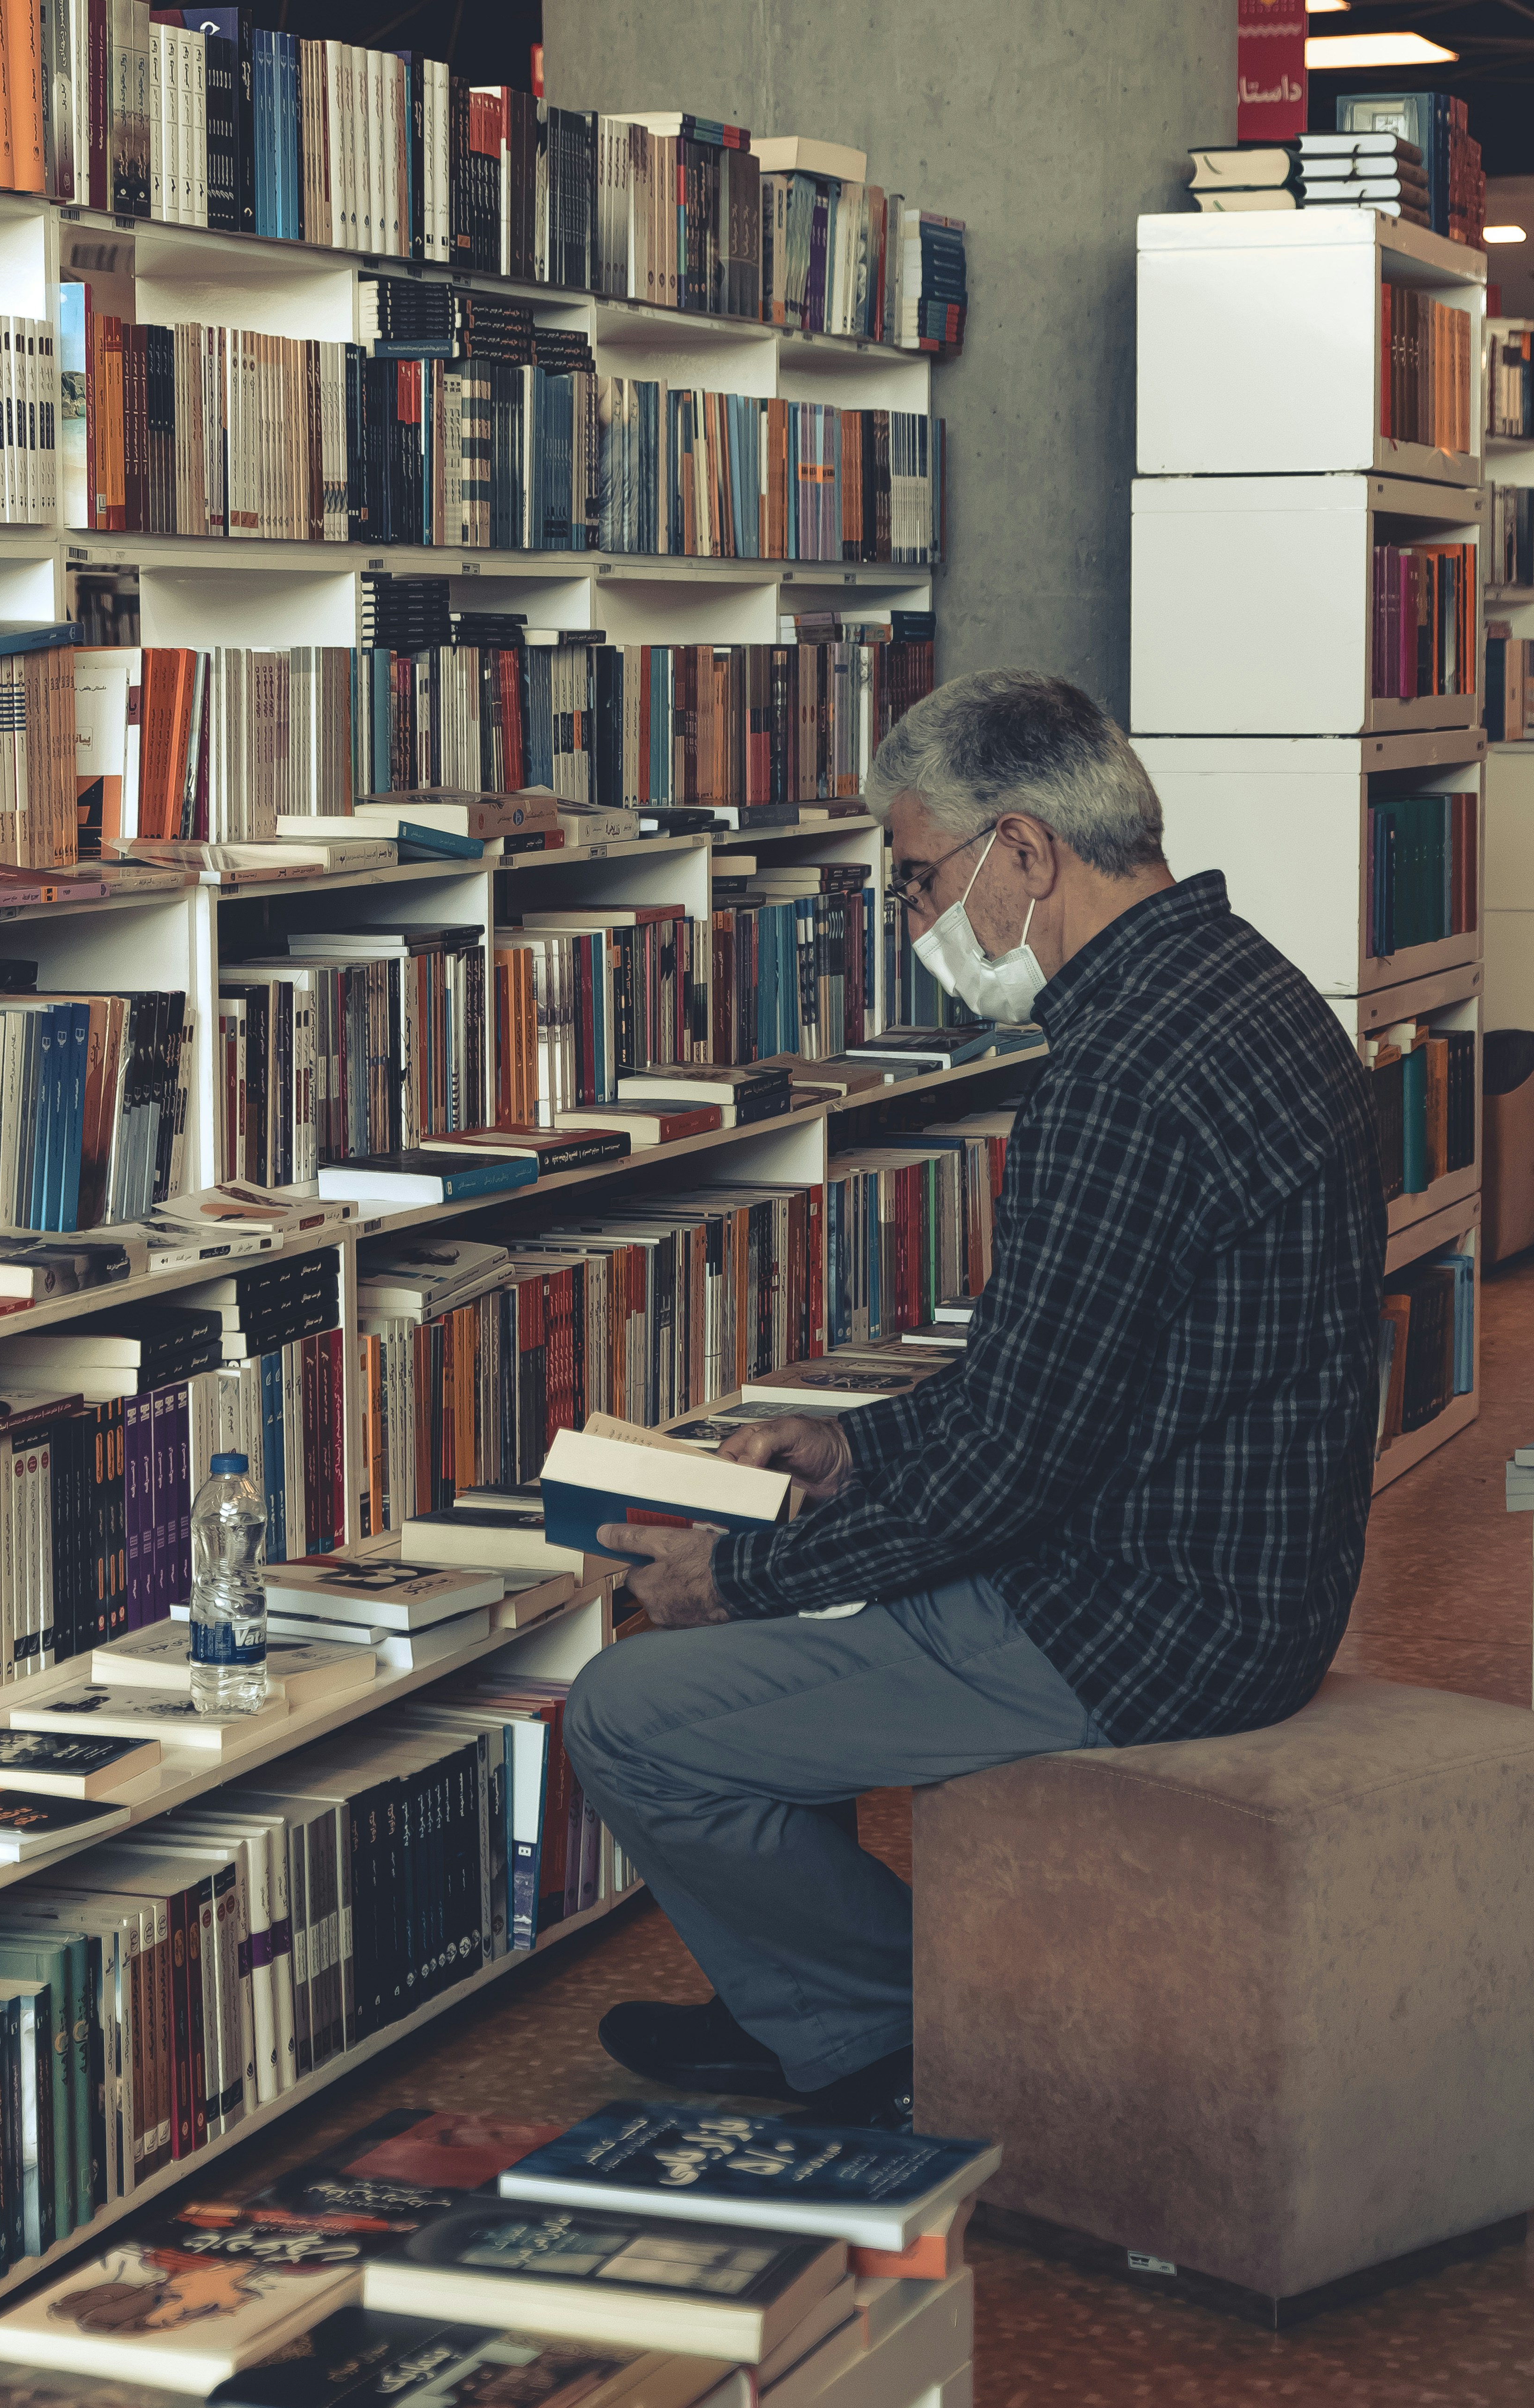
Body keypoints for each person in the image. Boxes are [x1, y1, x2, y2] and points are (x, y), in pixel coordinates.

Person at [564, 670, 1388, 2131]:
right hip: (1239, 1582)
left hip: (1135, 1623)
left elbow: (1018, 1467)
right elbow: (1066, 1374)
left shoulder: (1122, 1074)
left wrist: (736, 1575)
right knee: (797, 1610)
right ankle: (808, 2003)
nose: (914, 920)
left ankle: (880, 2028)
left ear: (1022, 852)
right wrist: (852, 1446)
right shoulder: (1244, 987)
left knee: (632, 1712)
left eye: (915, 877)